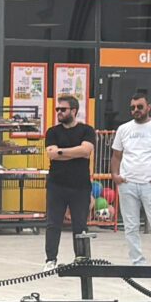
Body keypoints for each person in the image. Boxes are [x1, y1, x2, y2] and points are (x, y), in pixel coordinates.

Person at [111, 93, 151, 266]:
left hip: (150, 185)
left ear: (148, 107)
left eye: (139, 107)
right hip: (127, 184)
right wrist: (115, 175)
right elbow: (116, 155)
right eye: (132, 107)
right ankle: (137, 262)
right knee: (130, 227)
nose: (136, 110)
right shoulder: (123, 129)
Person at [41, 94, 97, 262]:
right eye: (57, 109)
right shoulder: (52, 132)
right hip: (56, 185)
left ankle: (82, 259)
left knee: (80, 225)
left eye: (63, 109)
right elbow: (52, 154)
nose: (59, 112)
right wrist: (75, 152)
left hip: (80, 186)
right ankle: (51, 260)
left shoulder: (87, 130)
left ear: (74, 111)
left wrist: (61, 152)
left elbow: (86, 151)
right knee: (53, 224)